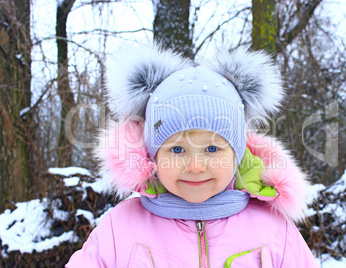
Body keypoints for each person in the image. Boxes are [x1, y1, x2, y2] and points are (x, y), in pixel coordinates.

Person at [66, 44, 318, 267]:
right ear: (153, 156)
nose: (195, 167)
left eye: (212, 149)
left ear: (236, 154)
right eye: (177, 150)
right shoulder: (120, 229)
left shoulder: (273, 229)